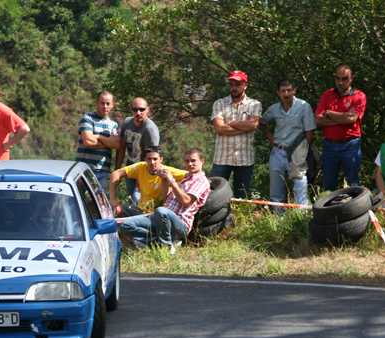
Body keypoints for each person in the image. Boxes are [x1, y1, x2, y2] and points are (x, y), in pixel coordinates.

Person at [118, 148, 210, 252]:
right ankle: (157, 241)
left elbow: (186, 202)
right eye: (187, 161)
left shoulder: (201, 181)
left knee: (161, 211)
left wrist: (172, 180)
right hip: (161, 219)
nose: (189, 164)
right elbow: (164, 198)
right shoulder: (185, 178)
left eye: (193, 161)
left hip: (180, 223)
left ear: (202, 161)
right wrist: (164, 180)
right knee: (125, 225)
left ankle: (165, 248)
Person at [260, 79, 316, 211]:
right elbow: (262, 122)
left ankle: (301, 218)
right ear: (278, 93)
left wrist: (304, 150)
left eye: (289, 90)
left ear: (294, 90)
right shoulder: (274, 109)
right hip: (278, 150)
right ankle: (278, 222)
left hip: (298, 149)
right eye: (283, 91)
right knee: (276, 190)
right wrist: (270, 138)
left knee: (300, 186)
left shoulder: (303, 106)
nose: (286, 93)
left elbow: (310, 132)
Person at [210, 70, 262, 199]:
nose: (234, 87)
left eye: (237, 84)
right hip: (222, 158)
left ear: (245, 85)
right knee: (214, 194)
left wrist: (231, 123)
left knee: (242, 196)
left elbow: (253, 125)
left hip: (245, 158)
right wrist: (244, 127)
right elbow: (220, 129)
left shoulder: (254, 104)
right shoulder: (219, 103)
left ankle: (240, 219)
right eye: (231, 84)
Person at [315, 63, 366, 191]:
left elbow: (352, 118)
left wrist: (329, 113)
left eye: (344, 79)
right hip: (330, 145)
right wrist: (343, 119)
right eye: (338, 78)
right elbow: (318, 121)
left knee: (353, 182)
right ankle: (329, 211)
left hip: (351, 144)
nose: (340, 82)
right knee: (328, 184)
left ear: (351, 78)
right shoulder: (327, 95)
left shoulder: (359, 96)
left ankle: (356, 210)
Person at [109, 148, 185, 216]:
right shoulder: (141, 167)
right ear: (145, 159)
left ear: (161, 159)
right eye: (149, 159)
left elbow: (191, 175)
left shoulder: (167, 171)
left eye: (155, 159)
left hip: (157, 213)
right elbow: (115, 174)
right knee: (114, 210)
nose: (152, 162)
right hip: (139, 210)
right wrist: (113, 199)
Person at [116, 97, 160, 204]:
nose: (138, 112)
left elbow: (153, 157)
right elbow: (121, 147)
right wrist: (117, 170)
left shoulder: (150, 129)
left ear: (148, 110)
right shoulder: (127, 122)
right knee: (132, 198)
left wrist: (146, 178)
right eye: (135, 110)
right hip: (131, 166)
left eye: (141, 109)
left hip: (145, 170)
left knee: (139, 198)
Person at [76, 91, 120, 191]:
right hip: (83, 169)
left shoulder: (114, 125)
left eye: (108, 103)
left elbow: (117, 144)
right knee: (79, 202)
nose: (105, 106)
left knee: (99, 204)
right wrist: (108, 142)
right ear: (97, 103)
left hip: (103, 172)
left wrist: (98, 137)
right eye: (102, 103)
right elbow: (88, 141)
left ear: (112, 105)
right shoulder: (87, 118)